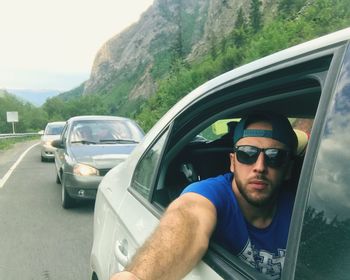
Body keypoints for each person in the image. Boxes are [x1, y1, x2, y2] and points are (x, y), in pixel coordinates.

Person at [111, 112, 298, 280]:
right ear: (233, 162)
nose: (260, 167)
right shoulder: (212, 193)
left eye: (275, 156)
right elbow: (188, 218)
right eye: (247, 154)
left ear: (288, 169)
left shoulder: (302, 208)